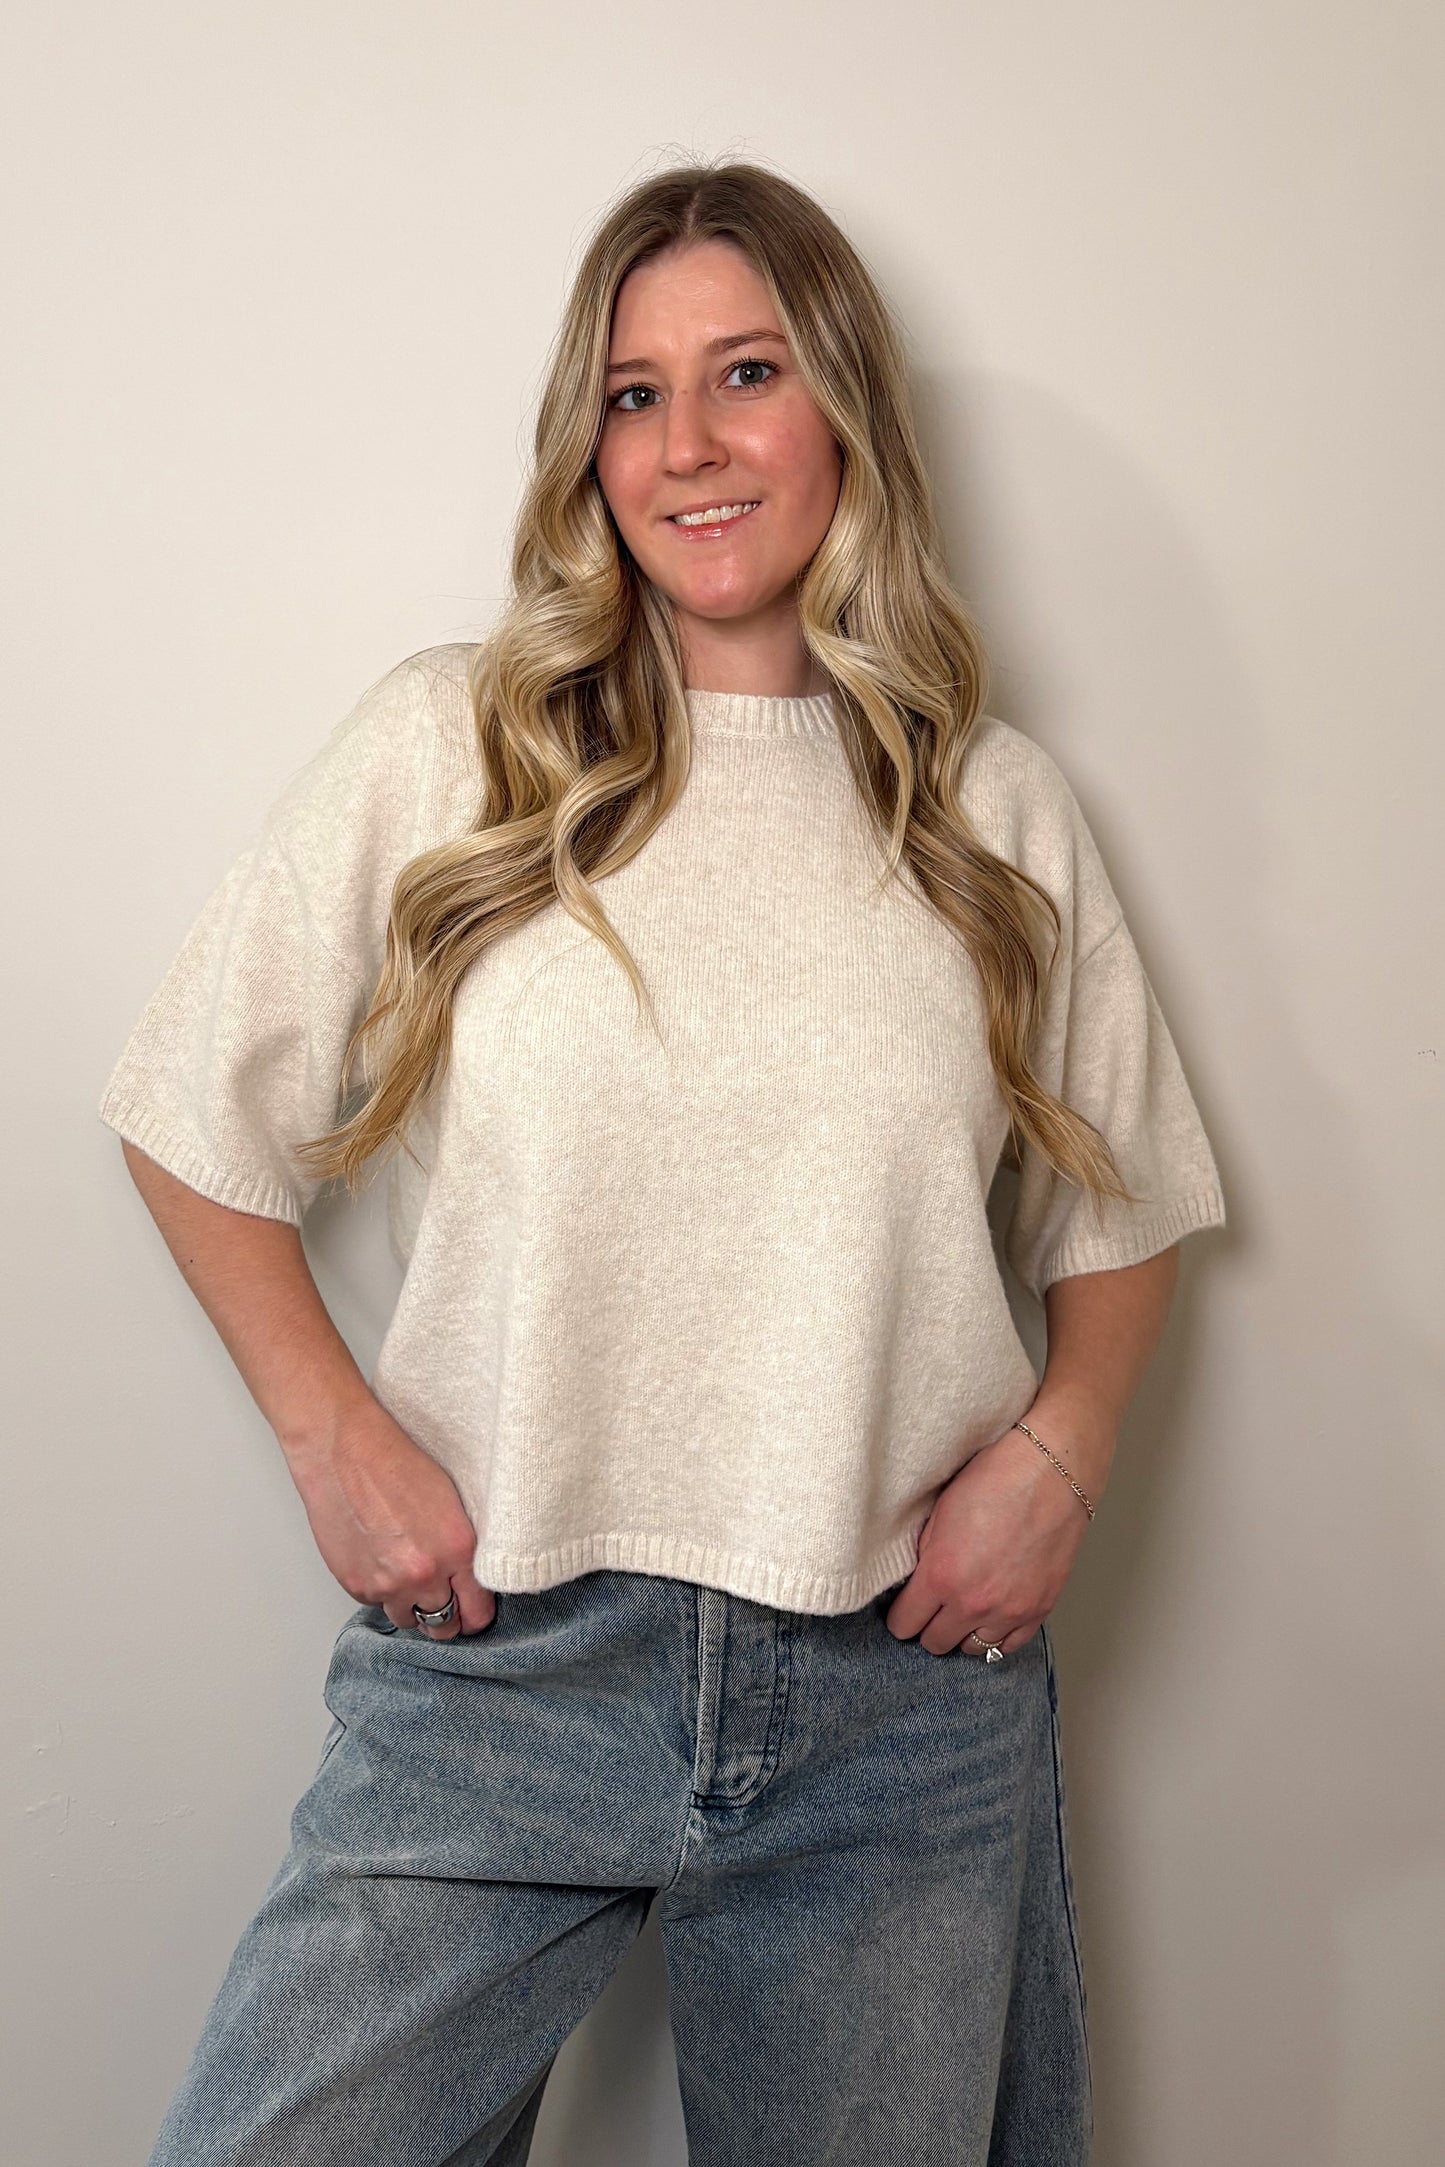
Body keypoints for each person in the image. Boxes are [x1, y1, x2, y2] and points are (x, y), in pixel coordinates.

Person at [99, 158, 1226, 2167]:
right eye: (633, 393)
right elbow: (192, 1110)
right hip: (504, 1670)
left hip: (893, 1697)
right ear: (587, 443)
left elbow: (1124, 1201)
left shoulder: (987, 810)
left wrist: (1061, 1449)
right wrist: (333, 1437)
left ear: (844, 413)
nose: (690, 444)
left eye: (747, 373)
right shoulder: (456, 746)